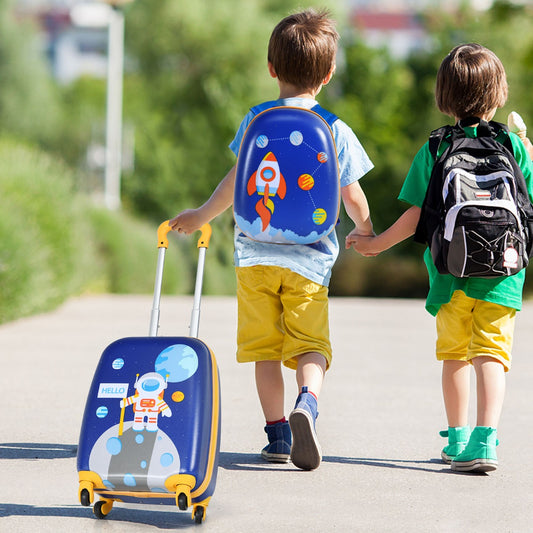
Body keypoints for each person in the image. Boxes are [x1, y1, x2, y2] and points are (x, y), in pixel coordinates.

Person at [170, 9, 374, 470]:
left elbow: (234, 181)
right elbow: (354, 196)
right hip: (310, 262)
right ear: (328, 74)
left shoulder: (256, 119)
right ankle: (308, 403)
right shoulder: (334, 128)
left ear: (271, 67)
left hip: (254, 256)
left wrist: (202, 215)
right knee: (310, 346)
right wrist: (364, 229)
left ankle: (278, 434)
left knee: (264, 350)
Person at [348, 43, 533, 473]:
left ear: (443, 96)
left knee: (456, 356)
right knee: (492, 355)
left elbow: (416, 217)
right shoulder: (514, 146)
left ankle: (458, 438)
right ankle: (486, 441)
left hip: (451, 276)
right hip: (503, 276)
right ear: (499, 94)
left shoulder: (435, 149)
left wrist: (374, 245)